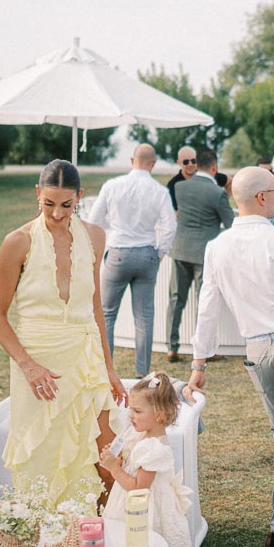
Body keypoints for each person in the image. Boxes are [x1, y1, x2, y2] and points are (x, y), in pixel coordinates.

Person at [185, 167, 274, 547]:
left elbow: (207, 309)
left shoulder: (217, 246)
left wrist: (199, 363)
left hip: (256, 352)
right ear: (262, 197)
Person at [0, 161, 128, 504]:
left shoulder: (95, 236)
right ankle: (51, 536)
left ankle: (99, 532)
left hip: (86, 357)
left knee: (108, 455)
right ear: (37, 194)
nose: (56, 213)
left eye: (66, 205)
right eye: (48, 203)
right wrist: (28, 366)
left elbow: (96, 307)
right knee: (44, 457)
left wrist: (109, 368)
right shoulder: (17, 242)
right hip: (39, 363)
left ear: (79, 197)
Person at [99, 373, 195, 547]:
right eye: (130, 407)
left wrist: (114, 469)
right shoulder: (141, 435)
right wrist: (115, 454)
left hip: (142, 510)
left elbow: (138, 488)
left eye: (137, 410)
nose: (130, 415)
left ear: (160, 416)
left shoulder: (155, 448)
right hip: (134, 503)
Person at [85, 143, 178, 377]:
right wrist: (159, 253)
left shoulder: (113, 186)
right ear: (153, 164)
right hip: (147, 252)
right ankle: (142, 373)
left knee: (106, 314)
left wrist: (114, 228)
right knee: (144, 316)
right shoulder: (159, 191)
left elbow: (94, 220)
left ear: (131, 160)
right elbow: (170, 226)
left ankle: (105, 369)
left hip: (118, 252)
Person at [166, 148, 233, 363]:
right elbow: (230, 223)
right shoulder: (218, 193)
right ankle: (204, 351)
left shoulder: (180, 187)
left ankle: (171, 347)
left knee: (176, 299)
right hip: (205, 253)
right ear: (214, 168)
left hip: (180, 250)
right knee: (204, 303)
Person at [165, 146, 198, 211]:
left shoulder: (204, 177)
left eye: (193, 161)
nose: (190, 164)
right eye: (186, 162)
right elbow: (175, 211)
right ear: (179, 162)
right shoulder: (172, 185)